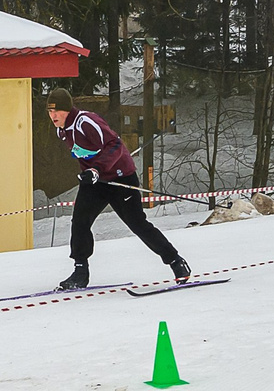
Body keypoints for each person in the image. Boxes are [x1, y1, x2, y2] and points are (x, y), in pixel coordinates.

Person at [44, 89, 190, 290]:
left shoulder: (86, 122)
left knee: (138, 224)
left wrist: (97, 168)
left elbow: (114, 145)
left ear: (67, 110)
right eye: (50, 111)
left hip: (120, 178)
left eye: (57, 111)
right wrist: (89, 172)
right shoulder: (62, 130)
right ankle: (80, 271)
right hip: (97, 182)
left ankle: (175, 261)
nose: (53, 116)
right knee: (80, 220)